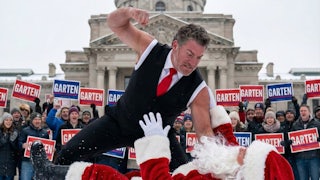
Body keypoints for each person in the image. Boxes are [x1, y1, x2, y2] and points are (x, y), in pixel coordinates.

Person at [54, 7, 236, 172]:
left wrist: (220, 164)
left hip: (160, 136)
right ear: (175, 45)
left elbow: (204, 133)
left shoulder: (199, 88)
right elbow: (115, 24)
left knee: (182, 174)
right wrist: (128, 13)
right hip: (118, 123)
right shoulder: (150, 48)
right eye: (190, 54)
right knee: (67, 155)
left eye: (199, 57)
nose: (193, 63)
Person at [30, 110, 294, 179]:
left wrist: (154, 141)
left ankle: (49, 174)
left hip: (174, 177)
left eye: (246, 154)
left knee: (107, 176)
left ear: (243, 173)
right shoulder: (233, 161)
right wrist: (215, 111)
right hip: (186, 169)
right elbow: (229, 142)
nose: (242, 149)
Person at [290, 104, 320, 180]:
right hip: (300, 158)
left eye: (305, 111)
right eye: (301, 111)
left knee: (315, 178)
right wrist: (289, 142)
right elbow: (291, 139)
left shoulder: (317, 124)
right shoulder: (295, 125)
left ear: (309, 112)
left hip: (314, 157)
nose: (303, 112)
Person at [18, 112, 49, 180]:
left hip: (40, 162)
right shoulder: (25, 131)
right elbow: (19, 143)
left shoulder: (45, 133)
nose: (37, 121)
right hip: (27, 161)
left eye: (39, 119)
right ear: (32, 120)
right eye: (35, 119)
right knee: (25, 178)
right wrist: (22, 145)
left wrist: (51, 149)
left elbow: (48, 146)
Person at [0, 112, 19, 180]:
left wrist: (12, 141)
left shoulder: (15, 132)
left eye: (10, 120)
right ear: (3, 121)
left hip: (10, 165)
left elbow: (17, 149)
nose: (9, 122)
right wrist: (4, 139)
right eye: (6, 120)